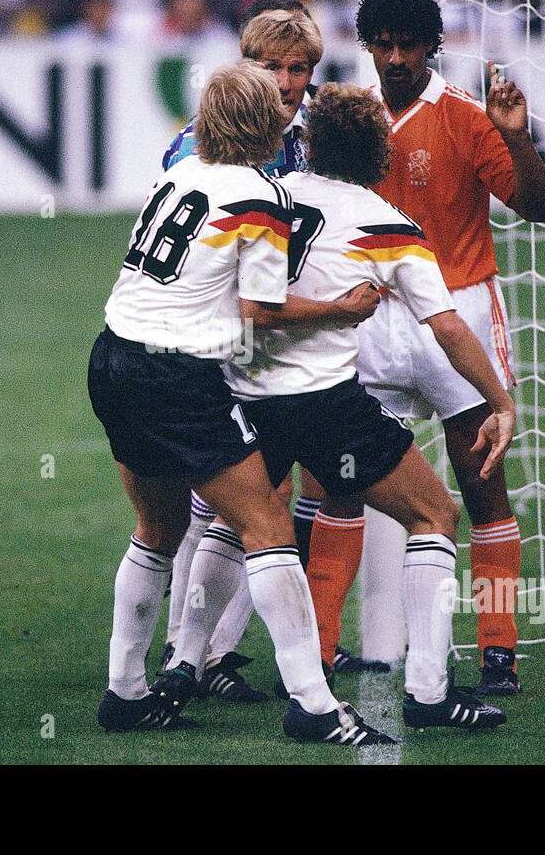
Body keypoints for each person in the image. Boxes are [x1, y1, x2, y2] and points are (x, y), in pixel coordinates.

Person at [168, 82, 513, 731]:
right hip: (325, 403)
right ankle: (430, 693)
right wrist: (500, 399)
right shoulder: (386, 223)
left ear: (312, 142)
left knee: (229, 521)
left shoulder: (268, 196)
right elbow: (448, 327)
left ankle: (182, 664)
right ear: (379, 153)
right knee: (435, 512)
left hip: (246, 390)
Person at [88, 61, 391, 745]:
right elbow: (260, 308)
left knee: (157, 530)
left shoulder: (177, 173)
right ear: (268, 121)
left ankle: (126, 690)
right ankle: (314, 704)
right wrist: (340, 310)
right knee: (268, 526)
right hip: (172, 372)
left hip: (112, 355)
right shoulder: (260, 194)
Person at [308, 0, 545, 695]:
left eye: (406, 44)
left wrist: (515, 135)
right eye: (381, 44)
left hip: (458, 311)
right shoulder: (348, 121)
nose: (393, 57)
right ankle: (321, 651)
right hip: (372, 316)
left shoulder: (466, 117)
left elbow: (536, 207)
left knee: (482, 484)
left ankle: (499, 649)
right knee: (340, 480)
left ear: (430, 46)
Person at [157, 6, 336, 703]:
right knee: (219, 503)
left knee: (266, 497)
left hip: (274, 338)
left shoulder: (315, 139)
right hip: (214, 336)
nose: (288, 81)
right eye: (273, 66)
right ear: (245, 66)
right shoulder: (200, 143)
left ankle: (209, 652)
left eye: (299, 69)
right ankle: (185, 651)